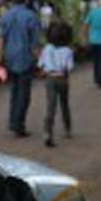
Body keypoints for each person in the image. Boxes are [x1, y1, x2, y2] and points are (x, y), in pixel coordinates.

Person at [0, 0, 41, 137]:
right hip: (25, 60)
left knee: (14, 92)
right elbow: (34, 44)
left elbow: (1, 40)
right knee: (23, 94)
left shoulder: (5, 15)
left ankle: (13, 121)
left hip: (9, 59)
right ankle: (18, 125)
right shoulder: (31, 17)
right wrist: (41, 61)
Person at [38, 19, 74, 148]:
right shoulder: (68, 51)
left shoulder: (46, 49)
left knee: (50, 107)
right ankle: (67, 129)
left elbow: (41, 65)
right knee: (64, 104)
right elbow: (69, 68)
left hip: (50, 79)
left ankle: (48, 132)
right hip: (62, 79)